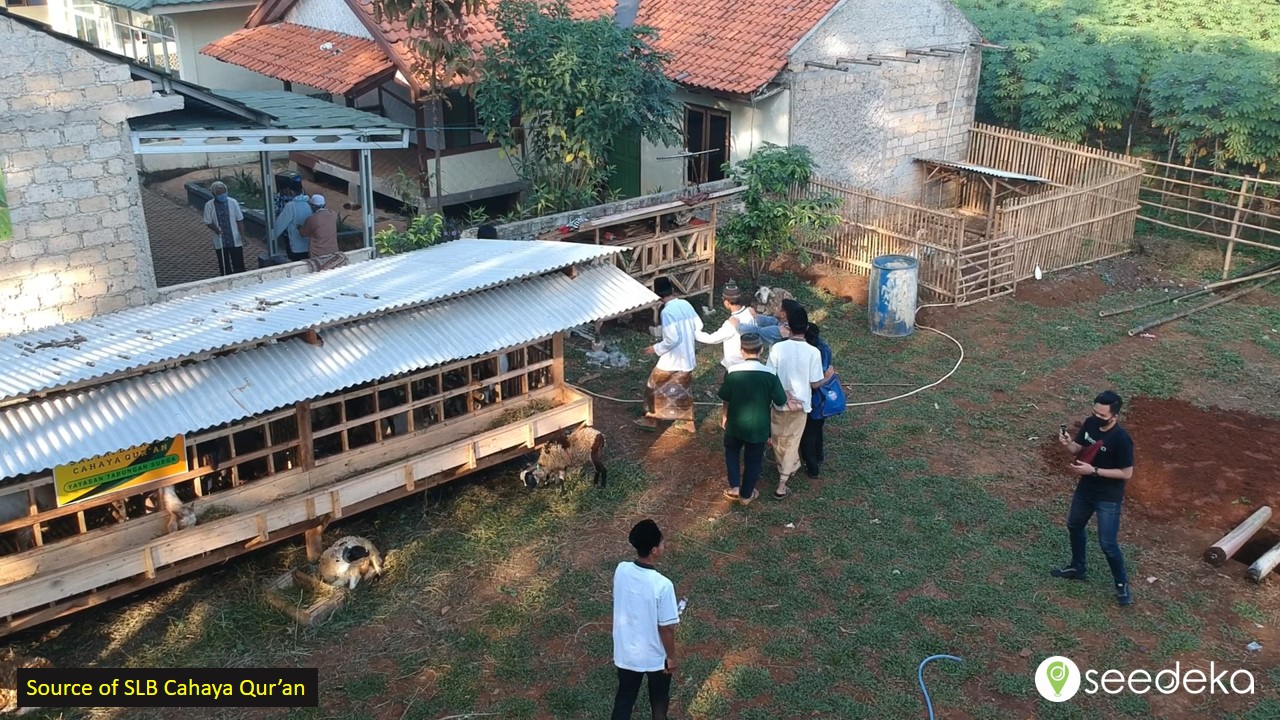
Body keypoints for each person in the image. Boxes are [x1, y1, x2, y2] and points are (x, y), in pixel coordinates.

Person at [1051, 390, 1136, 606]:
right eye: (1095, 412)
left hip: (1108, 497)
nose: (1097, 418)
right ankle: (1077, 567)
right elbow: (1078, 449)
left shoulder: (1121, 440)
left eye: (1102, 416)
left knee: (1107, 543)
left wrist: (1094, 471)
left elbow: (1126, 473)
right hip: (1085, 490)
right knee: (1074, 525)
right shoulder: (1089, 423)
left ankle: (1121, 584)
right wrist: (1068, 443)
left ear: (1114, 416)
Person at [611, 519, 680, 720]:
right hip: (655, 657)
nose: (663, 544)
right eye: (661, 542)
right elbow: (666, 629)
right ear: (654, 551)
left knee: (624, 700)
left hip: (626, 653)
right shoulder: (663, 585)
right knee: (659, 701)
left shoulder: (621, 569)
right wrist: (672, 657)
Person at [717, 333, 787, 505]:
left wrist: (725, 414)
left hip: (735, 422)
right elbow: (781, 400)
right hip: (759, 426)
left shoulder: (732, 371)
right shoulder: (770, 373)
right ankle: (746, 494)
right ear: (761, 350)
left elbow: (724, 395)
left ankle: (734, 486)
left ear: (742, 351)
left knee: (732, 451)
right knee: (753, 459)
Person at [766, 306, 824, 499]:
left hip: (779, 401)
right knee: (791, 441)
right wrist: (828, 376)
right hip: (800, 405)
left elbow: (769, 376)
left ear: (788, 327)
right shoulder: (813, 352)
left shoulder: (777, 348)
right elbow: (815, 383)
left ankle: (785, 474)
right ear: (806, 327)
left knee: (778, 439)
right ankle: (783, 482)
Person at [639, 276, 702, 433]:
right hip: (687, 358)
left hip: (672, 360)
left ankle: (651, 419)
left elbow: (671, 339)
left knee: (653, 385)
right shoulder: (685, 304)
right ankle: (689, 422)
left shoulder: (667, 311)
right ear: (672, 290)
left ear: (658, 296)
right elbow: (699, 325)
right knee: (683, 390)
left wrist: (655, 348)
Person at [695, 283, 758, 378]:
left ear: (726, 302)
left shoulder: (731, 323)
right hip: (750, 364)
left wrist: (694, 333)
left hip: (736, 368)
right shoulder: (750, 313)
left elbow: (712, 339)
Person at [800, 322, 837, 478]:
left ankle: (812, 467)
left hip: (812, 399)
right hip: (823, 400)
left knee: (807, 434)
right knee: (817, 430)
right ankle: (819, 455)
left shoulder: (812, 354)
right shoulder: (824, 348)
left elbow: (814, 382)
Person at [202, 181, 247, 275]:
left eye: (223, 193)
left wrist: (242, 235)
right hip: (220, 238)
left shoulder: (233, 202)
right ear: (214, 194)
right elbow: (208, 221)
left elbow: (239, 219)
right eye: (219, 194)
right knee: (224, 263)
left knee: (238, 262)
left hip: (234, 237)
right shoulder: (209, 205)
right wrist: (216, 229)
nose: (222, 195)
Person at [731, 298, 803, 348]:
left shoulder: (779, 331)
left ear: (783, 314)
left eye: (778, 307)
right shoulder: (790, 323)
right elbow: (772, 321)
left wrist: (737, 325)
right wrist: (756, 316)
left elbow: (757, 332)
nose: (775, 308)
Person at [273, 181, 313, 261]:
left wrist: (271, 237)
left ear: (291, 192)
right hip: (310, 246)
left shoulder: (290, 206)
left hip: (296, 248)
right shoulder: (310, 204)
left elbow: (280, 224)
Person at [301, 194, 340, 259]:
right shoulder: (333, 214)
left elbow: (303, 233)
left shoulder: (312, 219)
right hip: (333, 252)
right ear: (324, 205)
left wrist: (300, 228)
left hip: (317, 254)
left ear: (313, 206)